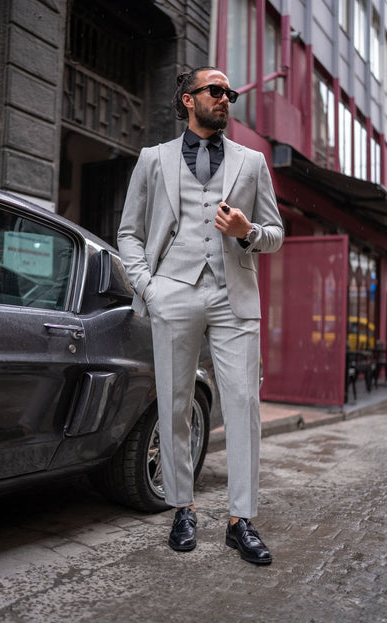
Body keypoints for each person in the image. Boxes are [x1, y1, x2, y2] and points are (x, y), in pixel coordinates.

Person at [117, 66, 284, 565]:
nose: (226, 98)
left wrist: (246, 229)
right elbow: (128, 231)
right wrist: (150, 286)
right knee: (174, 401)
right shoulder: (154, 159)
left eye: (230, 92)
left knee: (242, 406)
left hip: (234, 294)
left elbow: (274, 233)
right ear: (188, 100)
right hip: (175, 290)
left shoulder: (252, 162)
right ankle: (182, 507)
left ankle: (240, 521)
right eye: (216, 90)